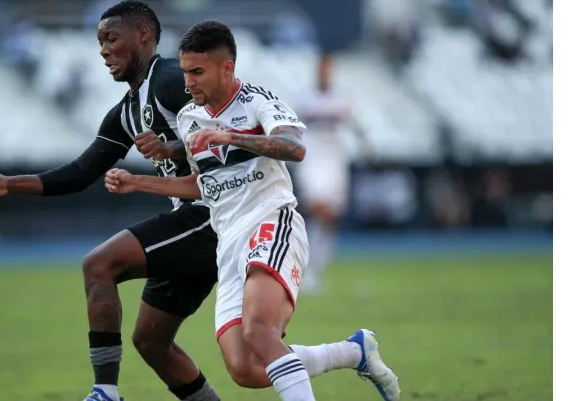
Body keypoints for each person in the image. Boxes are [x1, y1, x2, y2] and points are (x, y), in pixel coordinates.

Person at [105, 20, 400, 401]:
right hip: (228, 242)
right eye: (185, 73)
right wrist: (140, 182)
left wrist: (231, 135)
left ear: (227, 68)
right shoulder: (188, 118)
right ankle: (353, 351)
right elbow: (204, 185)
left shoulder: (256, 100)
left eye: (197, 72)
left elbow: (294, 147)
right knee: (245, 369)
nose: (188, 83)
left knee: (260, 332)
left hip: (271, 219)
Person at [0, 1, 220, 401]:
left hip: (216, 214)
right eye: (99, 41)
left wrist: (171, 146)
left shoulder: (173, 79)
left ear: (143, 36)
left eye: (111, 38)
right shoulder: (126, 111)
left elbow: (223, 127)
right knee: (152, 342)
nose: (103, 49)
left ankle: (105, 393)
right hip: (191, 221)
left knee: (98, 265)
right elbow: (81, 171)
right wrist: (8, 184)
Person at [294, 53, 375, 294]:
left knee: (331, 218)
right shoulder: (305, 98)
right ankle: (302, 270)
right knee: (319, 208)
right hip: (312, 159)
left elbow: (355, 124)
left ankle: (314, 271)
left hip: (334, 160)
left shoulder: (342, 97)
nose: (324, 74)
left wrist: (366, 146)